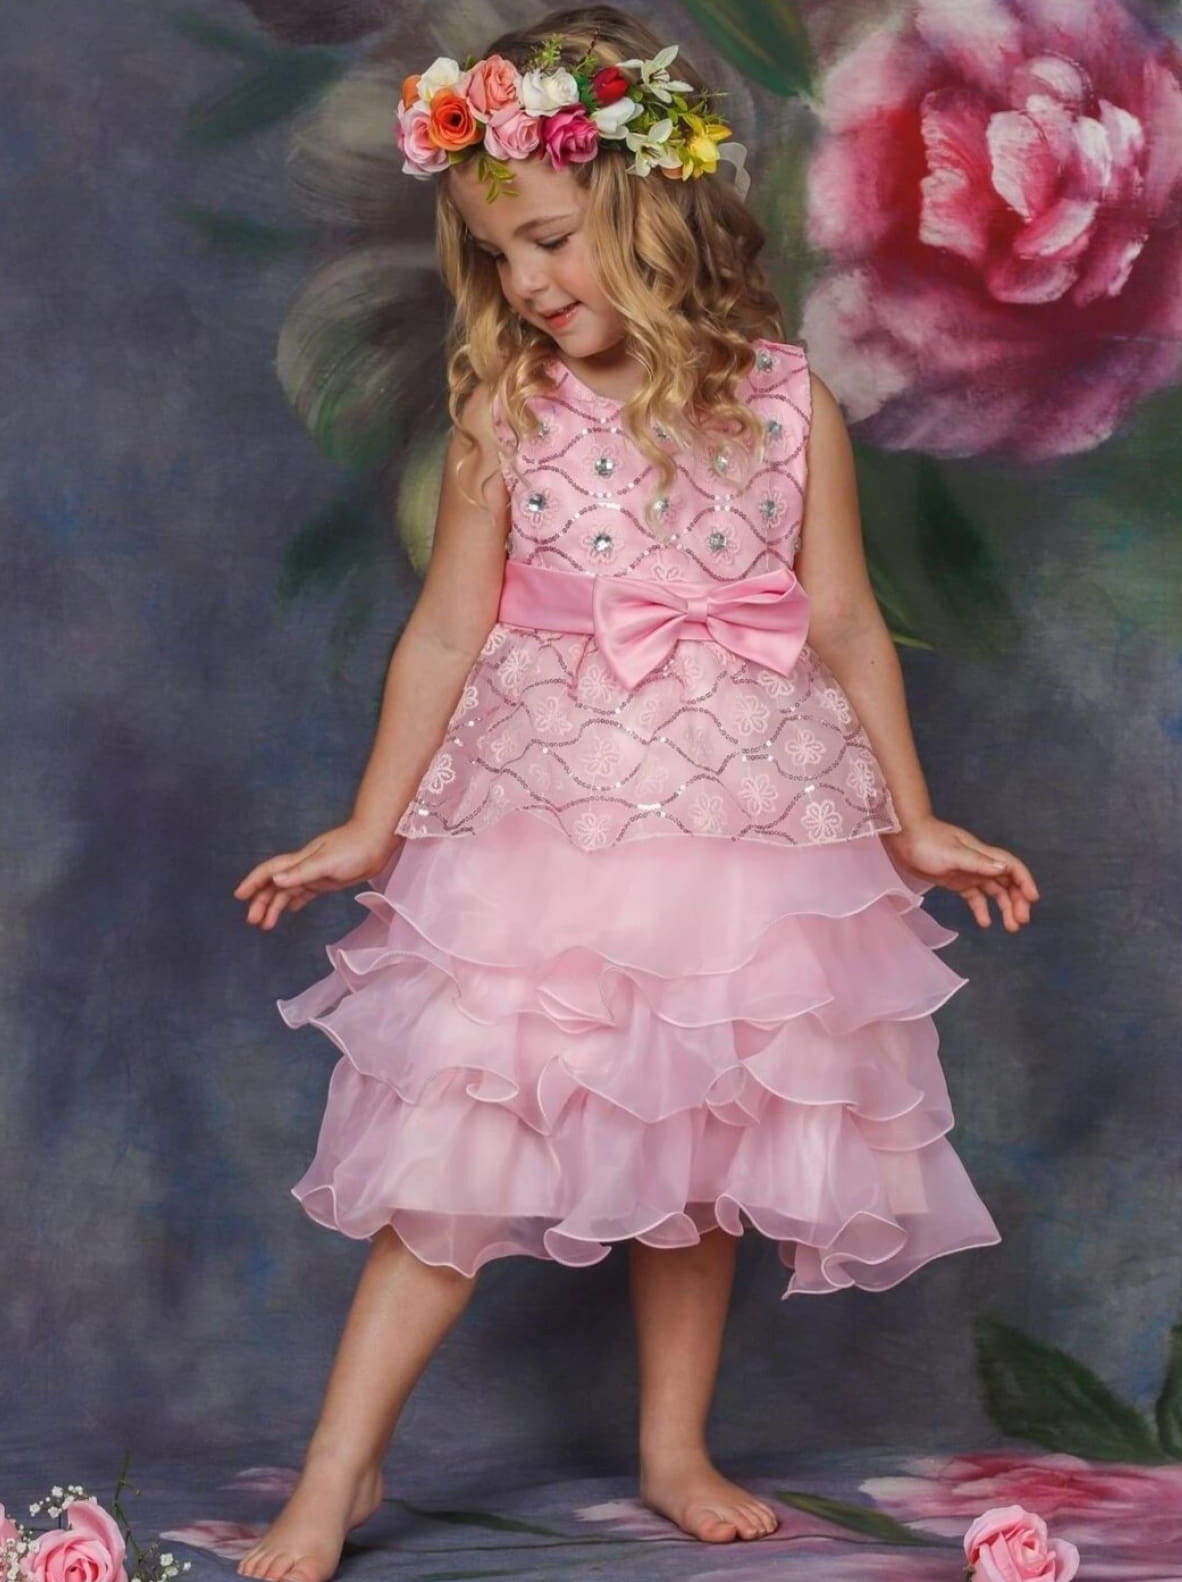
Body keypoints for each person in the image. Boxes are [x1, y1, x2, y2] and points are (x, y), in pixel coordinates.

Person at [233, 7, 1040, 1579]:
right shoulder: (508, 407)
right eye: (498, 257)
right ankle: (338, 1469)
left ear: (649, 206)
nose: (528, 283)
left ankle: (674, 1446)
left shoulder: (789, 401)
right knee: (464, 1140)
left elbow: (841, 619)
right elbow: (448, 626)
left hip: (746, 821)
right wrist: (372, 824)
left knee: (707, 1139)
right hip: (554, 819)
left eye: (547, 239)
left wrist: (911, 816)